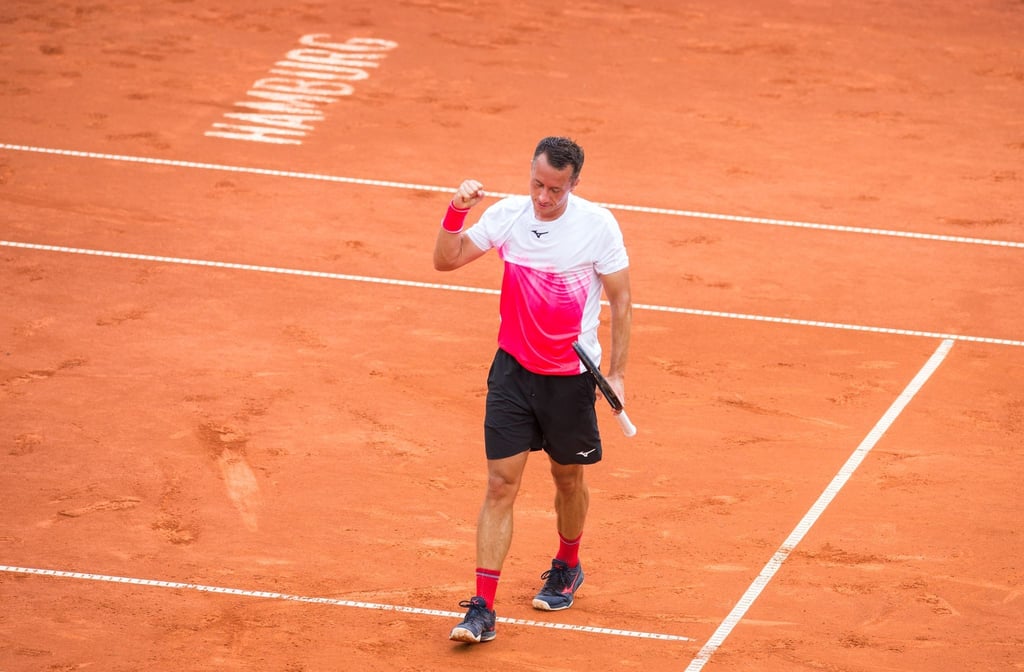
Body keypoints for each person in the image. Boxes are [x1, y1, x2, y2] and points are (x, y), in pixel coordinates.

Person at [433, 136, 633, 644]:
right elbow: (446, 260)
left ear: (574, 184)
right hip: (513, 373)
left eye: (555, 190)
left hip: (569, 379)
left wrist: (617, 372)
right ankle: (482, 607)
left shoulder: (597, 225)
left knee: (568, 479)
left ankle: (568, 563)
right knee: (501, 485)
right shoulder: (509, 216)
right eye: (537, 185)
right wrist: (456, 212)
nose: (543, 198)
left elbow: (622, 299)